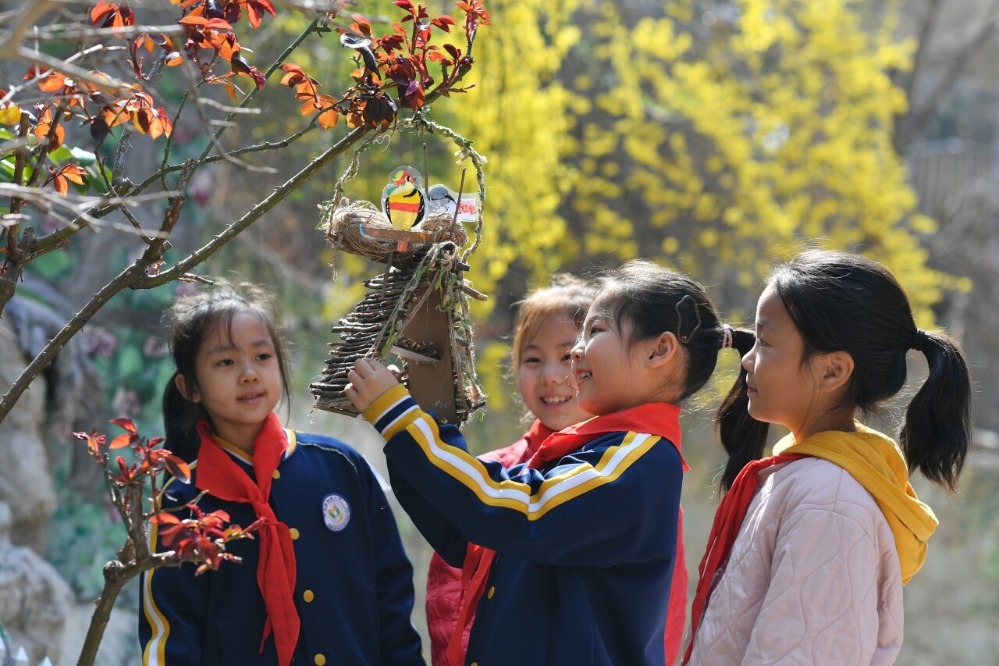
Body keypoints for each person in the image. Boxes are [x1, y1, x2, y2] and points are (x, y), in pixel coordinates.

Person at [346, 260, 735, 666]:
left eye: (595, 331)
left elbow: (522, 508)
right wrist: (408, 430)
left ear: (659, 350)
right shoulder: (596, 453)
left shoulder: (635, 464)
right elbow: (473, 535)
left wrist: (403, 421)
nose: (576, 354)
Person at [684, 250, 972, 665]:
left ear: (833, 371)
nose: (747, 358)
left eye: (765, 342)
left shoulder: (830, 503)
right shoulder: (809, 479)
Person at [138, 281, 424, 666]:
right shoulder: (181, 502)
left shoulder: (342, 469)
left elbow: (391, 598)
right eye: (225, 362)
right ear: (189, 388)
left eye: (262, 356)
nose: (249, 374)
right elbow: (171, 639)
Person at [424, 274, 691, 666]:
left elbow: (657, 617)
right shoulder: (489, 472)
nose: (551, 374)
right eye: (533, 359)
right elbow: (448, 595)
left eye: (568, 355)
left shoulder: (629, 474)